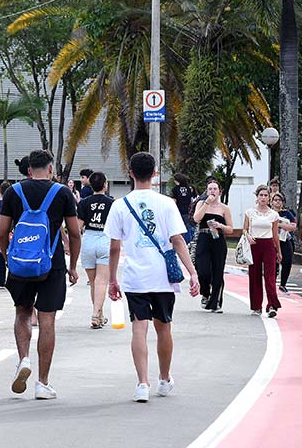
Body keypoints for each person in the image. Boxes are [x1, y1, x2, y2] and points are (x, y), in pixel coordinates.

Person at [105, 152, 200, 403]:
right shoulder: (167, 203)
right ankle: (164, 378)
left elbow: (114, 247)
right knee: (164, 326)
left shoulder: (119, 205)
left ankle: (141, 383)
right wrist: (192, 272)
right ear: (155, 174)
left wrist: (113, 279)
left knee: (139, 326)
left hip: (135, 277)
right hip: (163, 278)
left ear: (131, 173)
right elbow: (178, 240)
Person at [0, 149, 81, 401]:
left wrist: (6, 256)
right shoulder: (62, 193)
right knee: (47, 321)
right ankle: (42, 383)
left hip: (21, 264)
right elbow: (75, 233)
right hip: (52, 265)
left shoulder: (14, 192)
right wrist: (73, 265)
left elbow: (2, 231)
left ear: (29, 170)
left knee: (22, 312)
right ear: (51, 169)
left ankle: (23, 359)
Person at [78, 171, 114, 328]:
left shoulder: (84, 203)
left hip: (89, 240)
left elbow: (78, 227)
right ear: (105, 185)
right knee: (101, 282)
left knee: (93, 282)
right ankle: (95, 314)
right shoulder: (112, 203)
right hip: (105, 239)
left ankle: (99, 314)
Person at [193, 179, 234, 313]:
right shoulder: (201, 203)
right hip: (204, 238)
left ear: (219, 191)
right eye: (210, 189)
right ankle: (205, 293)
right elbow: (196, 218)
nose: (212, 191)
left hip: (218, 240)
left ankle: (216, 302)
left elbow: (230, 229)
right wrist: (206, 203)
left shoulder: (224, 208)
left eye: (215, 189)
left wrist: (221, 226)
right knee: (203, 270)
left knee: (218, 271)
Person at [243, 185, 281, 317]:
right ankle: (256, 305)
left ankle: (272, 305)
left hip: (269, 245)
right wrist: (248, 236)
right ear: (257, 197)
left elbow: (276, 235)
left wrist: (279, 252)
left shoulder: (274, 214)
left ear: (269, 197)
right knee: (254, 275)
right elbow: (245, 229)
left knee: (270, 277)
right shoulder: (250, 212)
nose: (263, 198)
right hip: (254, 244)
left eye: (266, 195)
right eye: (261, 195)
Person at [271, 192, 297, 293]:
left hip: (285, 240)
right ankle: (271, 283)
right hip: (272, 240)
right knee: (272, 263)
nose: (277, 202)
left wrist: (281, 225)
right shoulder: (269, 213)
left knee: (287, 262)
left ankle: (283, 284)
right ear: (272, 202)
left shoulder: (287, 213)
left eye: (280, 200)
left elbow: (293, 226)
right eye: (275, 200)